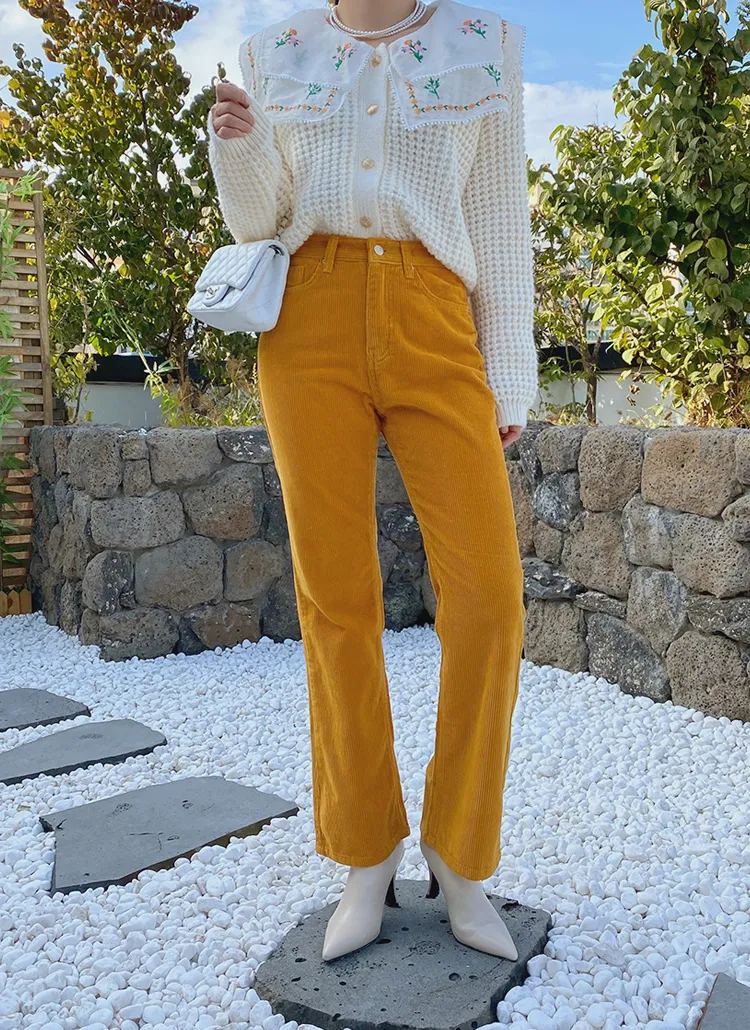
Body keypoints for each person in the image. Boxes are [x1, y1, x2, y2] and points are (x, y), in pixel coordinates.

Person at [207, 0, 537, 963]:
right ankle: (365, 852)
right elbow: (258, 222)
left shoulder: (483, 45)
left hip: (436, 313)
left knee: (489, 598)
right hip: (305, 322)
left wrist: (508, 372)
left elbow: (498, 223)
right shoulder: (277, 51)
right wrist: (240, 146)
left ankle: (460, 853)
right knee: (335, 598)